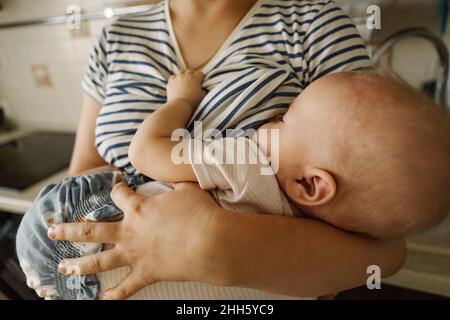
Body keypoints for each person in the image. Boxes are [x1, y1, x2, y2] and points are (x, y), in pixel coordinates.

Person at [19, 0, 411, 300]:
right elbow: (84, 173)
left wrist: (214, 242)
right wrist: (60, 265)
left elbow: (384, 251)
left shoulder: (316, 24)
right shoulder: (116, 35)